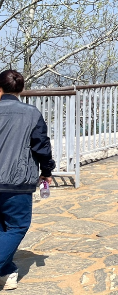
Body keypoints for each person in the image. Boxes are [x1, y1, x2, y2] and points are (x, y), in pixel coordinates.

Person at [0, 70, 55, 291]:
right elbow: (41, 146)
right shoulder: (31, 114)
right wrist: (47, 170)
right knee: (17, 225)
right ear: (21, 90)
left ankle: (7, 272)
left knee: (3, 227)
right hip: (17, 181)